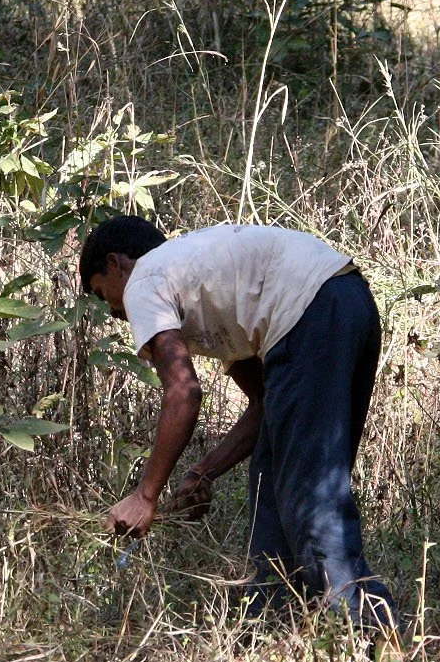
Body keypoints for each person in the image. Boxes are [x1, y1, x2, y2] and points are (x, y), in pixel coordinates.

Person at [80, 215, 397, 629]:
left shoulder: (144, 277)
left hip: (311, 311)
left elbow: (183, 392)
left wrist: (145, 495)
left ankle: (370, 632)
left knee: (310, 496)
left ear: (116, 263)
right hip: (347, 301)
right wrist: (203, 472)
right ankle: (270, 627)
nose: (116, 312)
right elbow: (264, 403)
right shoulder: (201, 281)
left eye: (105, 295)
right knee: (271, 481)